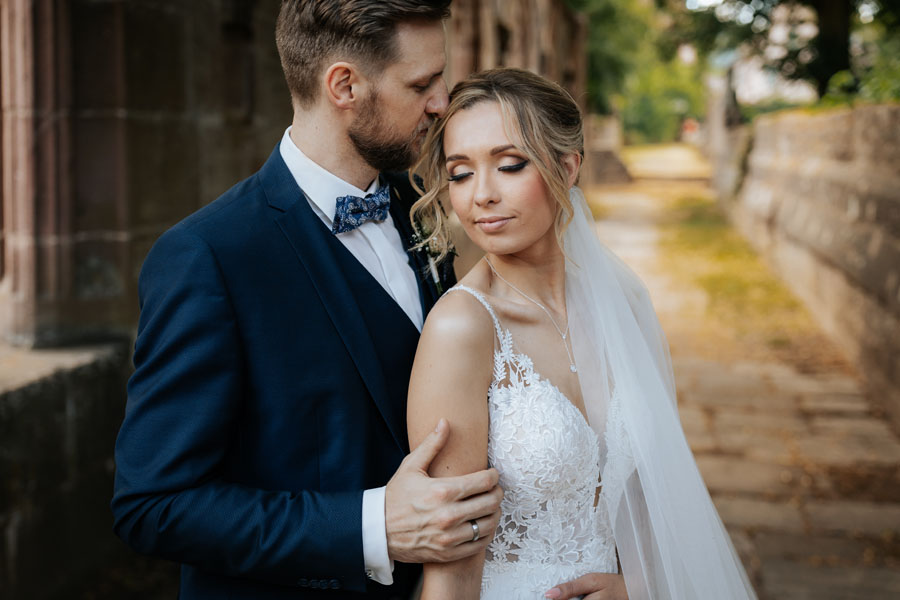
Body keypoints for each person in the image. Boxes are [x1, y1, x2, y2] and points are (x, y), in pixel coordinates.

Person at [110, 2, 505, 598]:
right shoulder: (208, 256)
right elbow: (153, 504)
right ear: (344, 85)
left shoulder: (421, 203)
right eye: (421, 83)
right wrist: (371, 527)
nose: (440, 103)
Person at [406, 68, 758, 599]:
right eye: (459, 173)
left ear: (567, 167)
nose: (481, 195)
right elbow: (451, 567)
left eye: (509, 165)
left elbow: (653, 500)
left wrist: (634, 588)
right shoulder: (462, 329)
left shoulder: (624, 302)